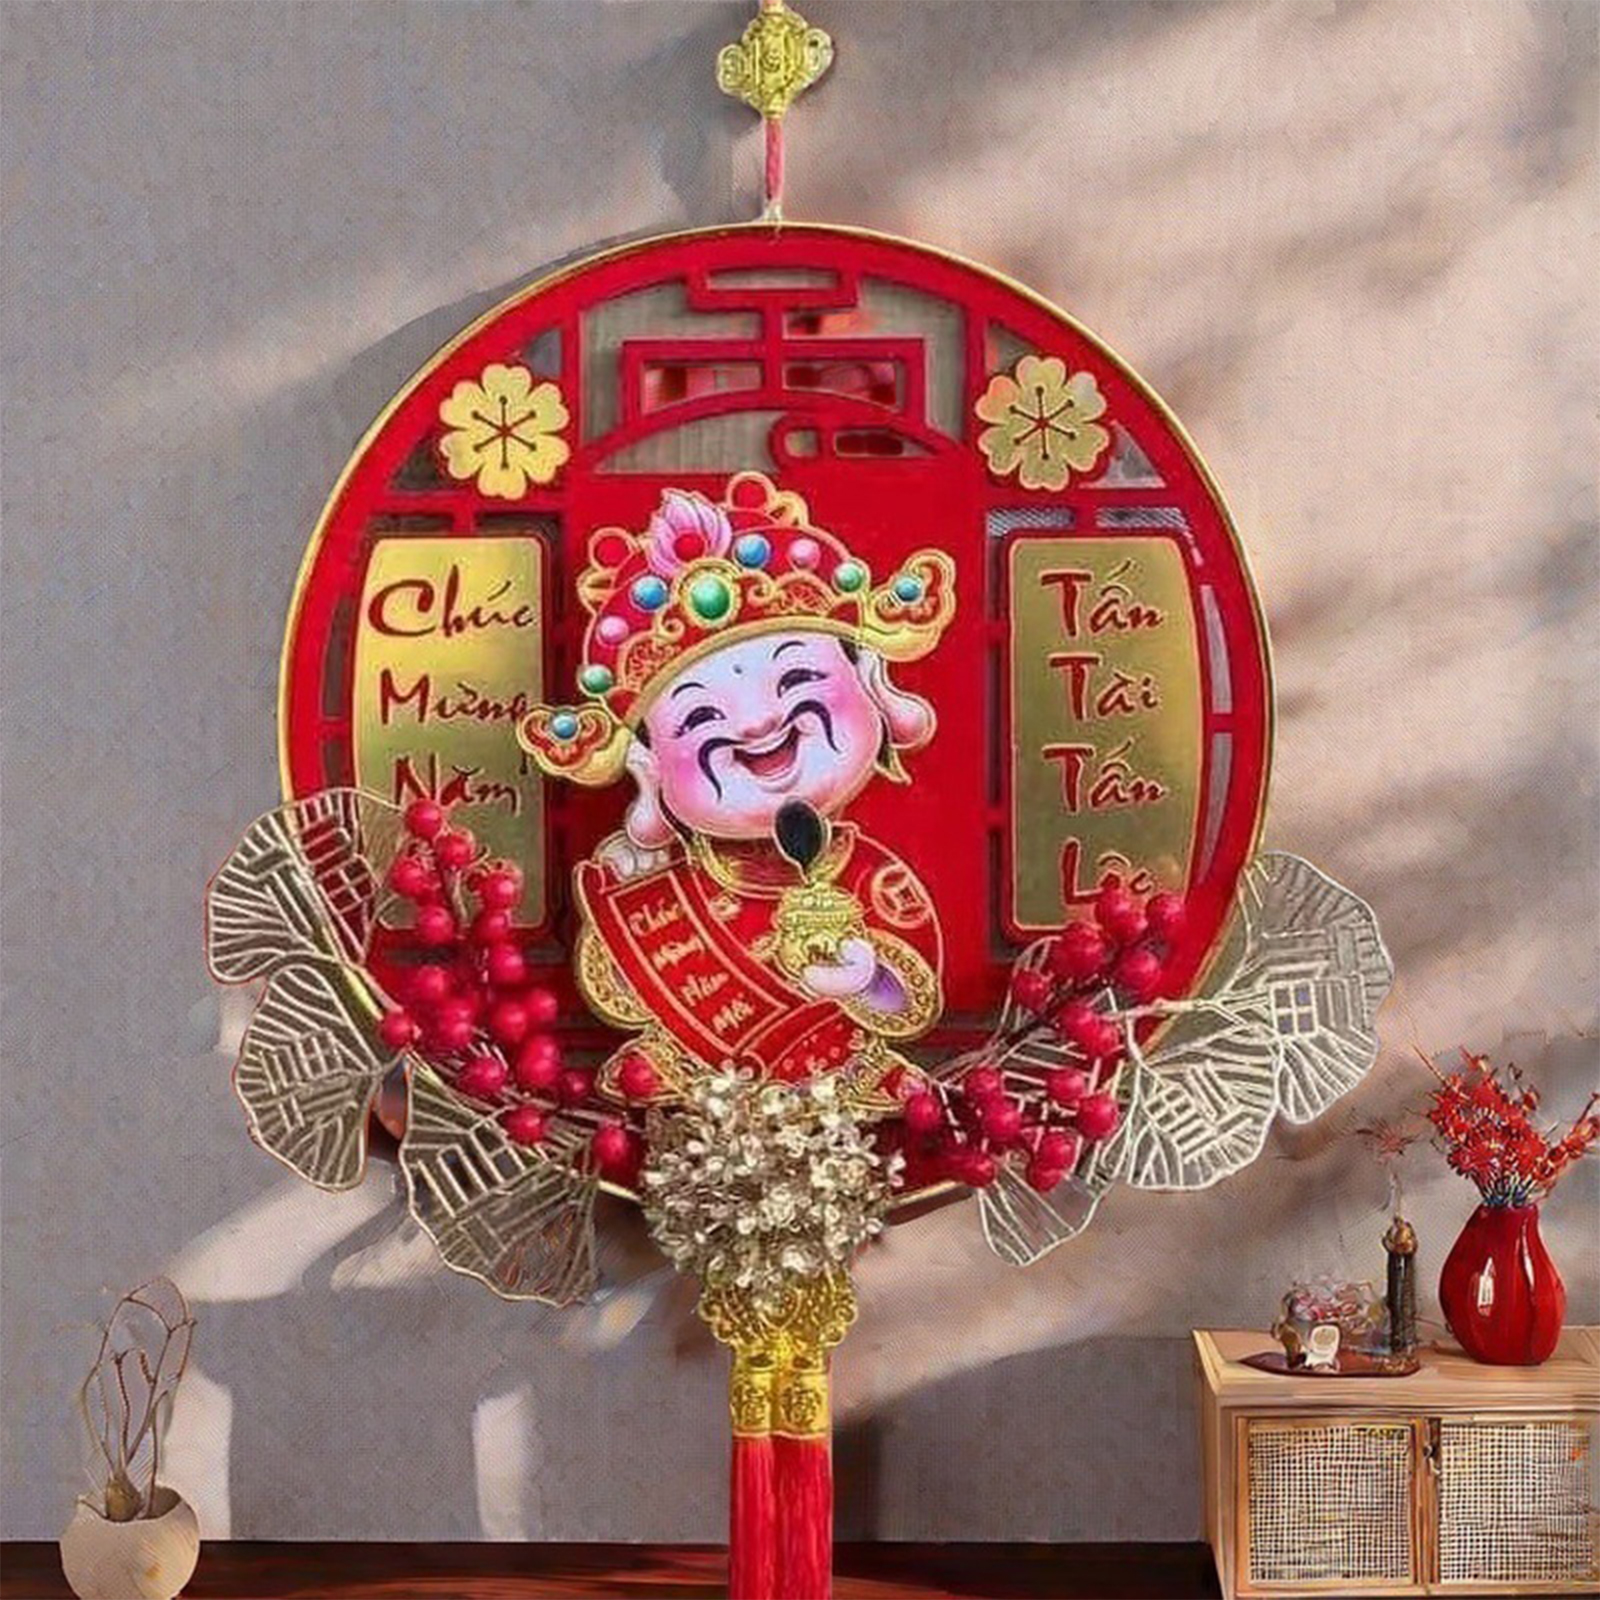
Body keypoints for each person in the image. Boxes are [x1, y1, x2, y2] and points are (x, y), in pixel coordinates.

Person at [520, 471, 956, 1093]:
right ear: (649, 764)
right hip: (703, 1094)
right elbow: (620, 990)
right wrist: (632, 885)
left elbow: (912, 1001)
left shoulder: (872, 878)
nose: (757, 724)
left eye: (796, 680)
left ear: (870, 686)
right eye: (699, 717)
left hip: (841, 1081)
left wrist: (866, 979)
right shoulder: (674, 887)